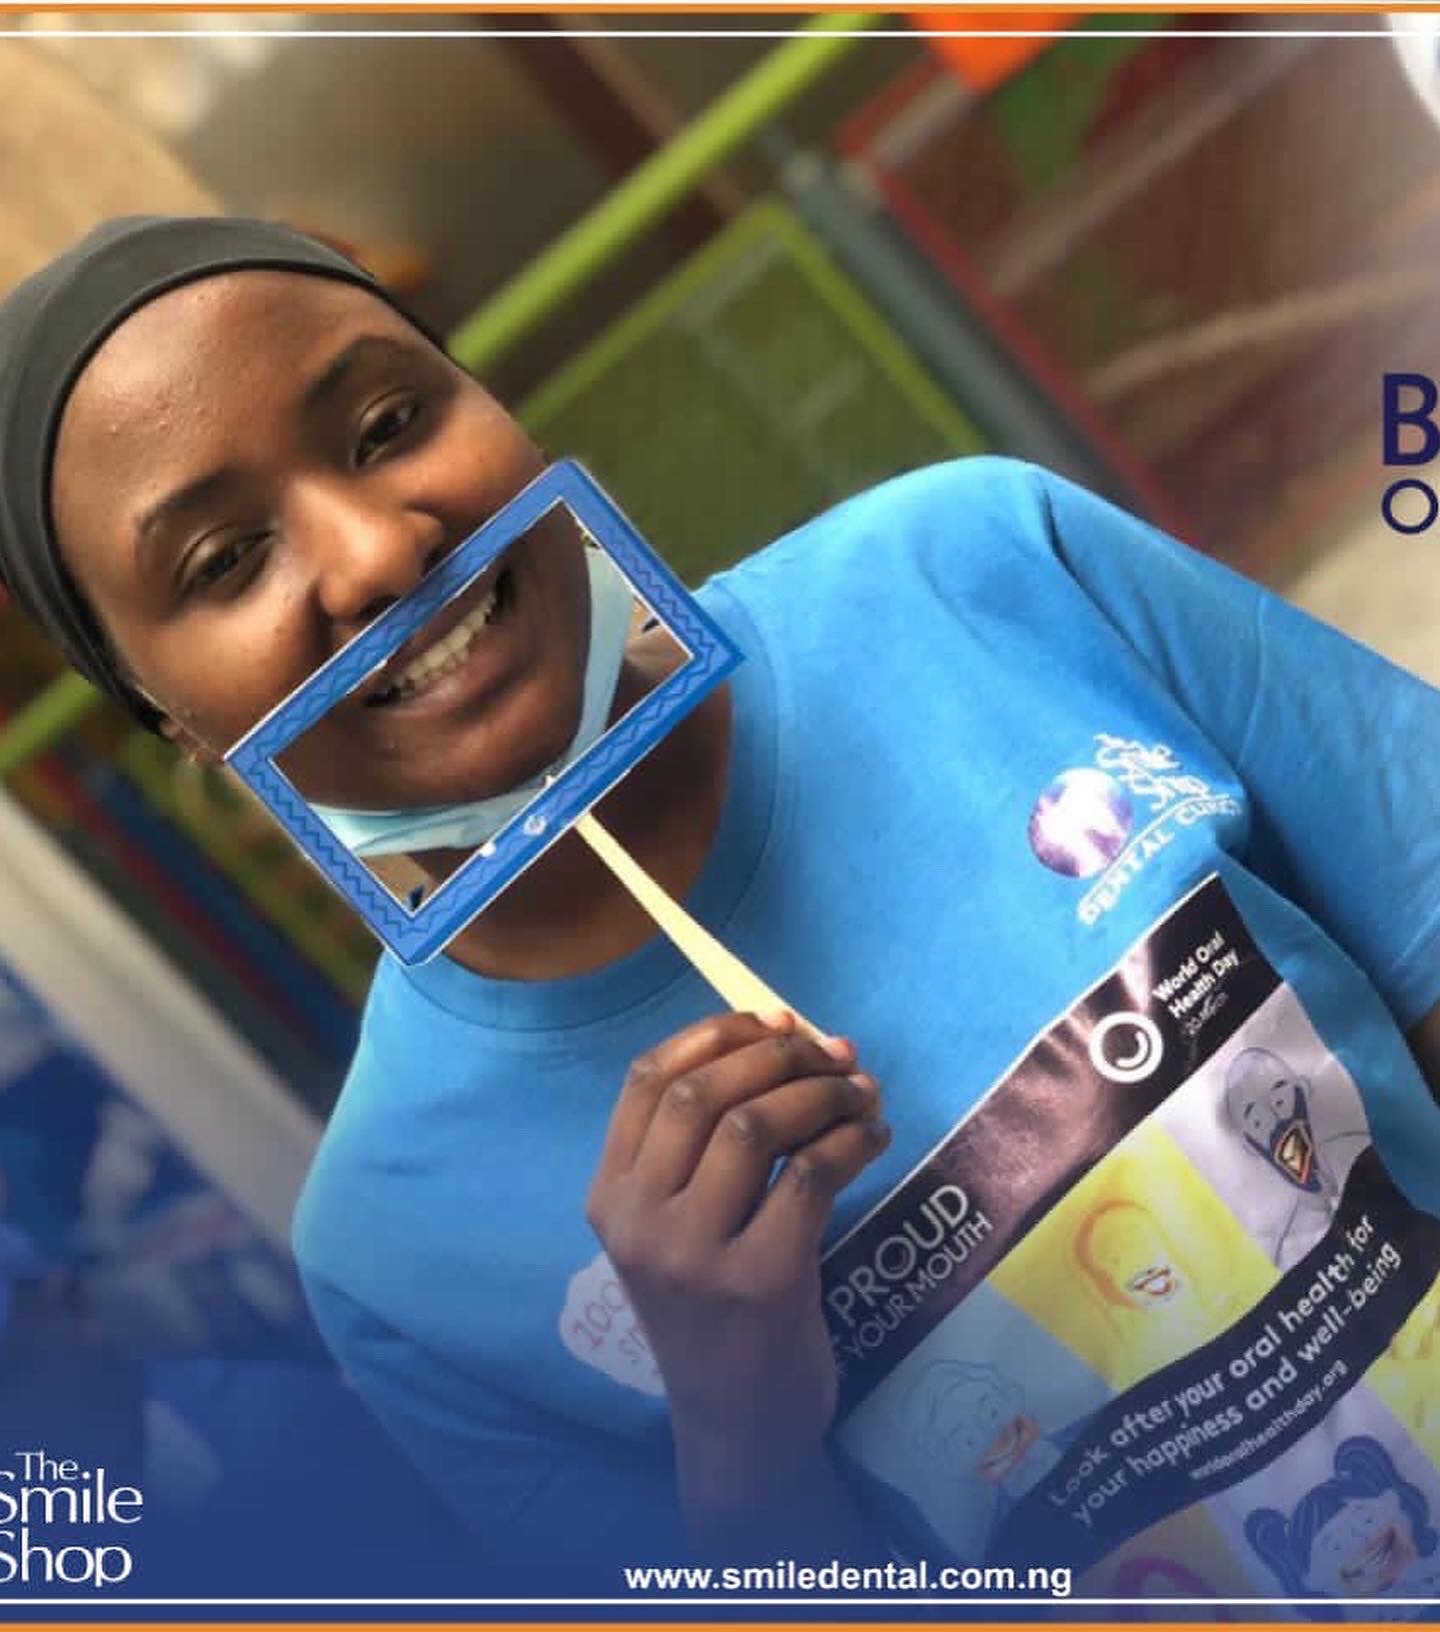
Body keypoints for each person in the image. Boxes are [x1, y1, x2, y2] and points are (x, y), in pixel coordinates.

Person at [2, 216, 1440, 1598]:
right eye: (223, 562)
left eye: (387, 424)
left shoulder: (981, 564)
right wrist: (742, 1433)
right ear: (171, 715)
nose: (376, 553)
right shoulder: (391, 1257)